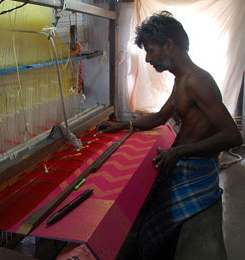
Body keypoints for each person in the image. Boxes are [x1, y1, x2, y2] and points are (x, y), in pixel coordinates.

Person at [97, 11, 242, 260]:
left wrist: (178, 151)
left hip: (195, 170)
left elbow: (232, 136)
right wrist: (121, 126)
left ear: (169, 44)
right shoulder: (182, 80)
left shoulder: (198, 81)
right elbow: (158, 118)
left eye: (151, 50)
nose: (148, 58)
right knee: (150, 215)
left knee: (153, 223)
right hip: (185, 164)